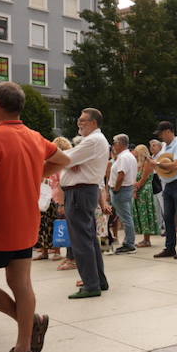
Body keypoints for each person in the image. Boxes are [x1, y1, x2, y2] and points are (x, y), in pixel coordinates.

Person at [0, 81, 69, 352]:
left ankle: (29, 324)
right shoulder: (34, 137)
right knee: (21, 283)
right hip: (25, 221)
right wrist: (35, 172)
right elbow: (63, 159)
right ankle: (23, 348)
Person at [61, 108, 111, 297]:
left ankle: (91, 285)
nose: (79, 123)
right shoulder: (96, 140)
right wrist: (71, 162)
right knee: (88, 239)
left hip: (79, 192)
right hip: (83, 191)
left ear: (93, 123)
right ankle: (98, 280)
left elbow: (66, 159)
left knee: (81, 241)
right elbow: (70, 161)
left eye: (83, 120)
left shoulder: (92, 140)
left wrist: (68, 160)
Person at [153, 122, 177, 259]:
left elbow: (176, 165)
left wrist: (158, 164)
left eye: (162, 133)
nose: (160, 136)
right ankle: (170, 247)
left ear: (169, 131)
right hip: (168, 184)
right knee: (168, 217)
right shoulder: (165, 146)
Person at [109, 134, 138, 255]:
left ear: (121, 143)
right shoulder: (126, 156)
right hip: (125, 189)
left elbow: (121, 175)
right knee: (126, 217)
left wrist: (116, 189)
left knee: (126, 218)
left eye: (115, 142)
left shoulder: (124, 157)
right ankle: (128, 243)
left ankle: (129, 244)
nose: (113, 145)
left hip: (121, 190)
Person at [130, 143, 156, 248]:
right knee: (141, 214)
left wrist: (135, 189)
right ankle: (145, 239)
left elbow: (143, 179)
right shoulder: (140, 163)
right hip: (140, 189)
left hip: (145, 190)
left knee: (145, 214)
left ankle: (147, 240)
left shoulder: (147, 162)